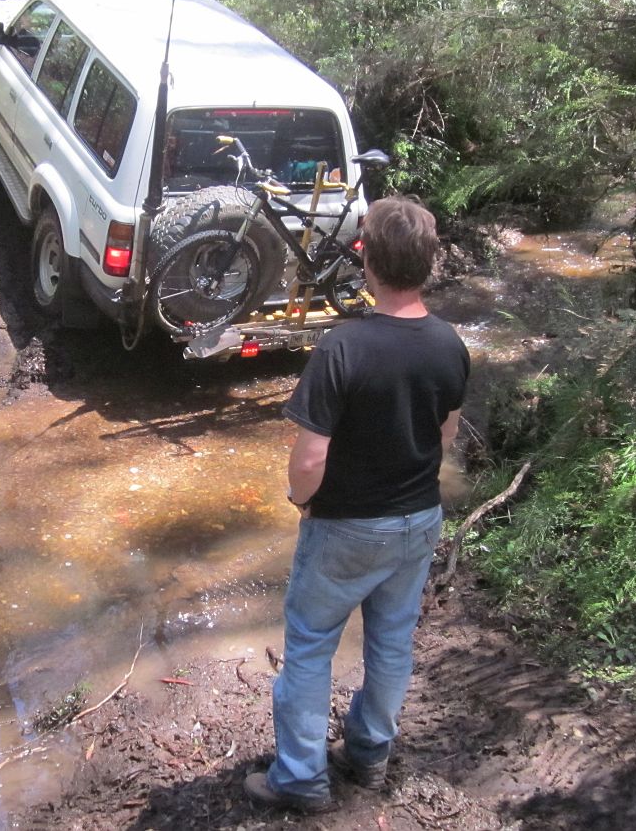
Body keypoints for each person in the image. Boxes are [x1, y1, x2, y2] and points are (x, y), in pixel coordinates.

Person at [245, 196, 469, 813]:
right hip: (418, 520)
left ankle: (300, 778)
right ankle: (370, 755)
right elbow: (446, 433)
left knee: (312, 645)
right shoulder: (450, 344)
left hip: (345, 525)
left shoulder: (343, 348)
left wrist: (300, 502)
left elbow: (310, 459)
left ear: (365, 259)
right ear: (428, 262)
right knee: (393, 643)